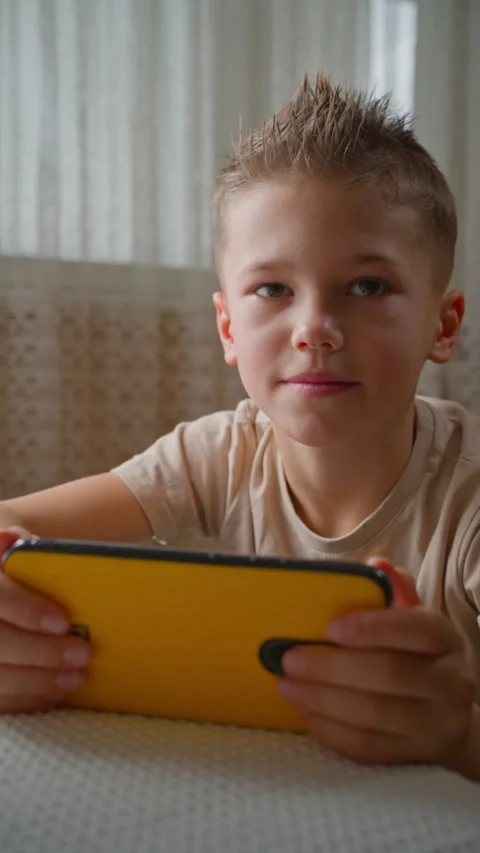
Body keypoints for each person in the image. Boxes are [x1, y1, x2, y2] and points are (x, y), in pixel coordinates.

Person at [0, 74, 478, 781]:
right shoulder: (219, 454)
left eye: (368, 285)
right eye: (273, 289)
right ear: (228, 326)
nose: (315, 328)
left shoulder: (466, 498)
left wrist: (456, 735)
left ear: (443, 325)